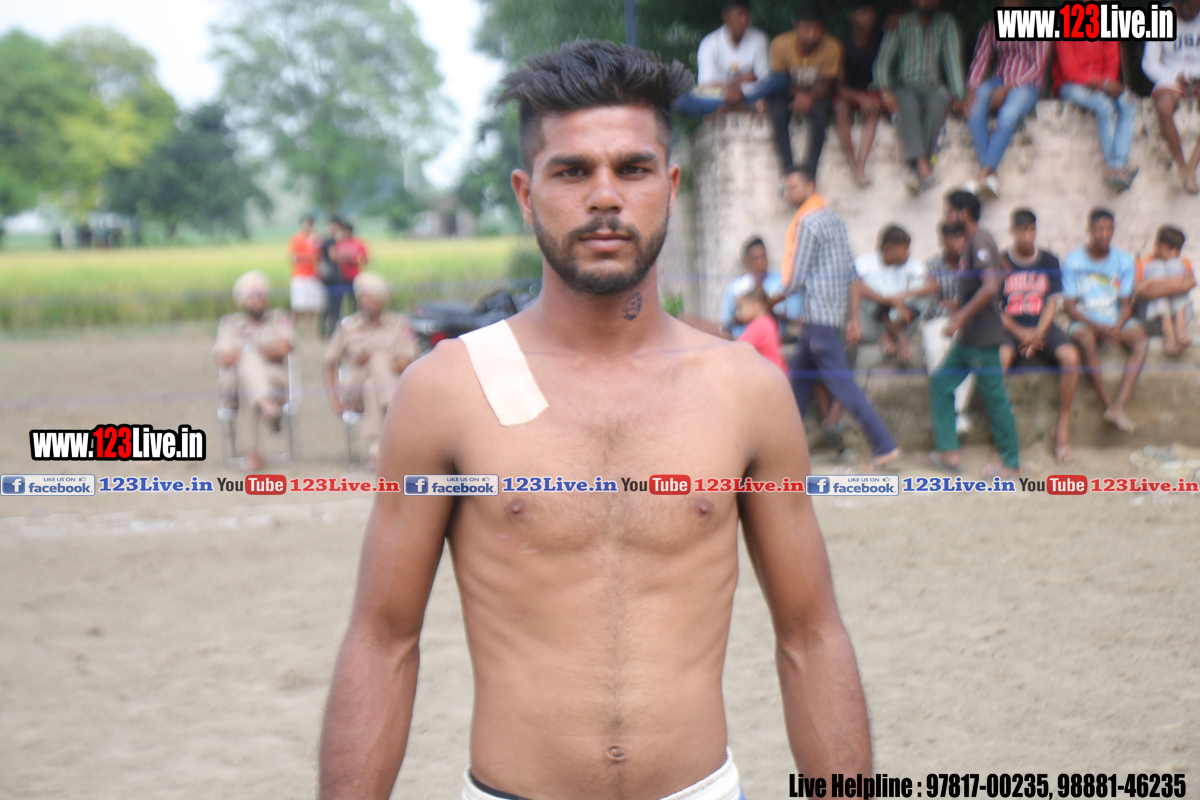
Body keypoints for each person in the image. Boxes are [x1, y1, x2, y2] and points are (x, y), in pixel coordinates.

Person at [318, 40, 870, 800]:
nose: (605, 196)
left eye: (632, 169)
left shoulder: (745, 389)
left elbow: (812, 636)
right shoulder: (447, 390)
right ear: (526, 193)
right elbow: (382, 640)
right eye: (573, 171)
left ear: (670, 186)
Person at [773, 166, 902, 468]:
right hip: (827, 319)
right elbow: (851, 274)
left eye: (793, 187)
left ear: (810, 187)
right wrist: (851, 317)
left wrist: (768, 300)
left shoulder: (807, 222)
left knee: (843, 386)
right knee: (798, 384)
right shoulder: (837, 221)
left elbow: (796, 277)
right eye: (786, 189)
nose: (788, 194)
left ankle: (884, 445)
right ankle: (780, 451)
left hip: (819, 318)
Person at [926, 190, 1020, 478]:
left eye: (948, 212)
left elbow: (990, 287)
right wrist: (962, 306)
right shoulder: (973, 243)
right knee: (941, 384)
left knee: (994, 397)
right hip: (969, 337)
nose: (945, 218)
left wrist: (959, 317)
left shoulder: (979, 241)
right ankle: (948, 451)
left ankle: (1010, 462)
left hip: (982, 337)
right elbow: (998, 275)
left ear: (963, 214)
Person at [998, 209, 1080, 464]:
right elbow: (996, 308)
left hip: (1043, 326)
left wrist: (1038, 334)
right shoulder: (1000, 262)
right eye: (1021, 231)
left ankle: (1062, 428)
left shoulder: (1049, 260)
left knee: (1070, 357)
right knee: (1000, 359)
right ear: (1012, 231)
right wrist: (1020, 332)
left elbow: (1052, 304)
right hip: (1011, 327)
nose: (1027, 236)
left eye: (1031, 230)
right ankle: (1001, 434)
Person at [1062, 208, 1148, 433]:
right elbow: (1070, 307)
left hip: (1115, 318)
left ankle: (1118, 407)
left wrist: (1117, 327)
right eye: (1099, 229)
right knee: (1085, 341)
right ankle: (1108, 405)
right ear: (1089, 230)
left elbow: (1126, 303)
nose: (1104, 234)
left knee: (1141, 342)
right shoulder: (1073, 261)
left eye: (1109, 229)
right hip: (1085, 319)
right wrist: (1098, 328)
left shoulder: (1124, 259)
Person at [323, 272, 419, 468]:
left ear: (381, 300)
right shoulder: (348, 327)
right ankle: (391, 406)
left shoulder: (398, 326)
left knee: (372, 383)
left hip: (384, 386)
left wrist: (386, 363)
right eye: (362, 297)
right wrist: (334, 400)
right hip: (355, 391)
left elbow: (407, 362)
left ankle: (376, 449)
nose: (366, 302)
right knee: (376, 362)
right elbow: (329, 363)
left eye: (371, 297)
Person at [874, 0, 967, 194]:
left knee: (940, 102)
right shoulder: (901, 22)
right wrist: (884, 92)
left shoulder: (946, 23)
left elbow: (952, 61)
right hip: (904, 84)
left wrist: (959, 95)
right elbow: (882, 62)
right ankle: (923, 166)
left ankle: (917, 168)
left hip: (932, 86)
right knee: (907, 104)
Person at [963, 0, 1050, 199]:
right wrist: (971, 91)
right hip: (999, 79)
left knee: (1008, 115)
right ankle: (990, 174)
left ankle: (984, 172)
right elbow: (980, 61)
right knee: (974, 109)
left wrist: (1007, 88)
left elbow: (1038, 67)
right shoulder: (991, 27)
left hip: (1028, 84)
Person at [214, 271, 294, 472]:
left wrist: (249, 350)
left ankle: (251, 454)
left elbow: (284, 348)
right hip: (233, 384)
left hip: (273, 379)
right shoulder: (229, 323)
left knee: (248, 386)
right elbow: (223, 358)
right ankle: (267, 406)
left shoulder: (279, 319)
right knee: (246, 368)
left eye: (262, 294)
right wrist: (254, 352)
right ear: (242, 299)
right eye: (253, 295)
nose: (259, 299)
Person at [1053, 40, 1138, 191]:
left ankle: (1117, 165)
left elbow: (1112, 64)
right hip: (1071, 85)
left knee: (1128, 103)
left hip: (1102, 85)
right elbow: (1069, 72)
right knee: (1104, 106)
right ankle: (1115, 168)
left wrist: (1105, 83)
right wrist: (1101, 83)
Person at [767, 4, 841, 175]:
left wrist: (810, 97)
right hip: (788, 91)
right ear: (796, 27)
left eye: (817, 29)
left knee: (821, 115)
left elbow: (827, 84)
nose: (812, 34)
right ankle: (788, 171)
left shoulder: (832, 47)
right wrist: (800, 95)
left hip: (818, 93)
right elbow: (780, 81)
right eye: (807, 29)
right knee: (777, 112)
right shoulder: (780, 44)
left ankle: (810, 174)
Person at [674, 0, 780, 117]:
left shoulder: (759, 39)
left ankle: (729, 109)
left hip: (749, 94)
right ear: (726, 17)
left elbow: (764, 79)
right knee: (682, 102)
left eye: (747, 14)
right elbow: (705, 84)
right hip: (720, 97)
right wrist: (739, 81)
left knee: (780, 81)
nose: (745, 19)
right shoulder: (709, 43)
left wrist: (741, 90)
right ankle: (742, 108)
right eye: (740, 15)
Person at [851, 224, 938, 365]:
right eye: (904, 249)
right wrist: (888, 301)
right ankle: (899, 338)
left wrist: (904, 296)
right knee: (862, 287)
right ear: (889, 248)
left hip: (901, 321)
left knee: (924, 288)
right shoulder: (865, 263)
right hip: (872, 325)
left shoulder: (910, 264)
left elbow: (934, 285)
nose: (908, 253)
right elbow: (857, 287)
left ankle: (890, 335)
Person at [920, 221, 975, 435]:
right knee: (935, 349)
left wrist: (958, 308)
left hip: (966, 320)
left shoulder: (972, 264)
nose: (958, 243)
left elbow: (975, 299)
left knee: (970, 350)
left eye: (961, 238)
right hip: (937, 320)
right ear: (943, 240)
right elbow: (930, 304)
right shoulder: (932, 265)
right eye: (953, 238)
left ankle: (957, 412)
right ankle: (946, 408)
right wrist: (955, 307)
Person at [1142, 0, 1200, 193]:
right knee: (1164, 106)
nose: (1195, 12)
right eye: (1190, 7)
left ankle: (1192, 167)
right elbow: (1149, 64)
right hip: (1172, 76)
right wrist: (1175, 77)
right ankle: (1181, 165)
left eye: (1198, 8)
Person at [833, 0, 884, 187]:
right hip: (849, 92)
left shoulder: (880, 39)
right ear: (852, 16)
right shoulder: (842, 44)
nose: (868, 17)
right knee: (839, 107)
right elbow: (838, 86)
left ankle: (861, 165)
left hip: (871, 91)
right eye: (863, 13)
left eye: (871, 13)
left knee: (873, 109)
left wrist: (868, 97)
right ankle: (852, 162)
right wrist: (859, 97)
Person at [718, 236, 798, 338]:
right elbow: (726, 324)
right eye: (755, 259)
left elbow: (795, 319)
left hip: (777, 339)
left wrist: (768, 310)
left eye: (763, 257)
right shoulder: (734, 288)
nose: (760, 263)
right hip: (743, 341)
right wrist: (745, 316)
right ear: (746, 261)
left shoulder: (782, 282)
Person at [1136, 226, 1194, 355]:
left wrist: (1151, 283)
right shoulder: (1143, 263)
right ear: (1157, 245)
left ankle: (1180, 329)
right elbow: (1143, 291)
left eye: (1177, 250)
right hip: (1152, 318)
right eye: (1170, 248)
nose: (1174, 254)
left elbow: (1191, 284)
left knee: (1174, 265)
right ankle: (1168, 328)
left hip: (1180, 317)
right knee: (1155, 267)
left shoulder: (1182, 262)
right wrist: (1177, 282)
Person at [731, 275, 785, 369]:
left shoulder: (759, 325)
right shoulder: (768, 321)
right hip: (774, 370)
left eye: (741, 307)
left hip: (769, 372)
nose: (738, 313)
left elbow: (738, 348)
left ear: (756, 305)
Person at [288, 215, 325, 338]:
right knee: (297, 304)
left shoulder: (316, 238)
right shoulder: (296, 238)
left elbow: (320, 255)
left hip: (313, 275)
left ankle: (309, 331)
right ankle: (292, 329)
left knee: (311, 305)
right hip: (300, 275)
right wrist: (308, 257)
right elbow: (293, 257)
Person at [318, 217, 347, 338]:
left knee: (325, 304)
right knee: (335, 306)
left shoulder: (323, 239)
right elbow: (333, 257)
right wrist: (345, 256)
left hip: (326, 276)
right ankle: (332, 331)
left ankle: (323, 331)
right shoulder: (331, 241)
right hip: (333, 277)